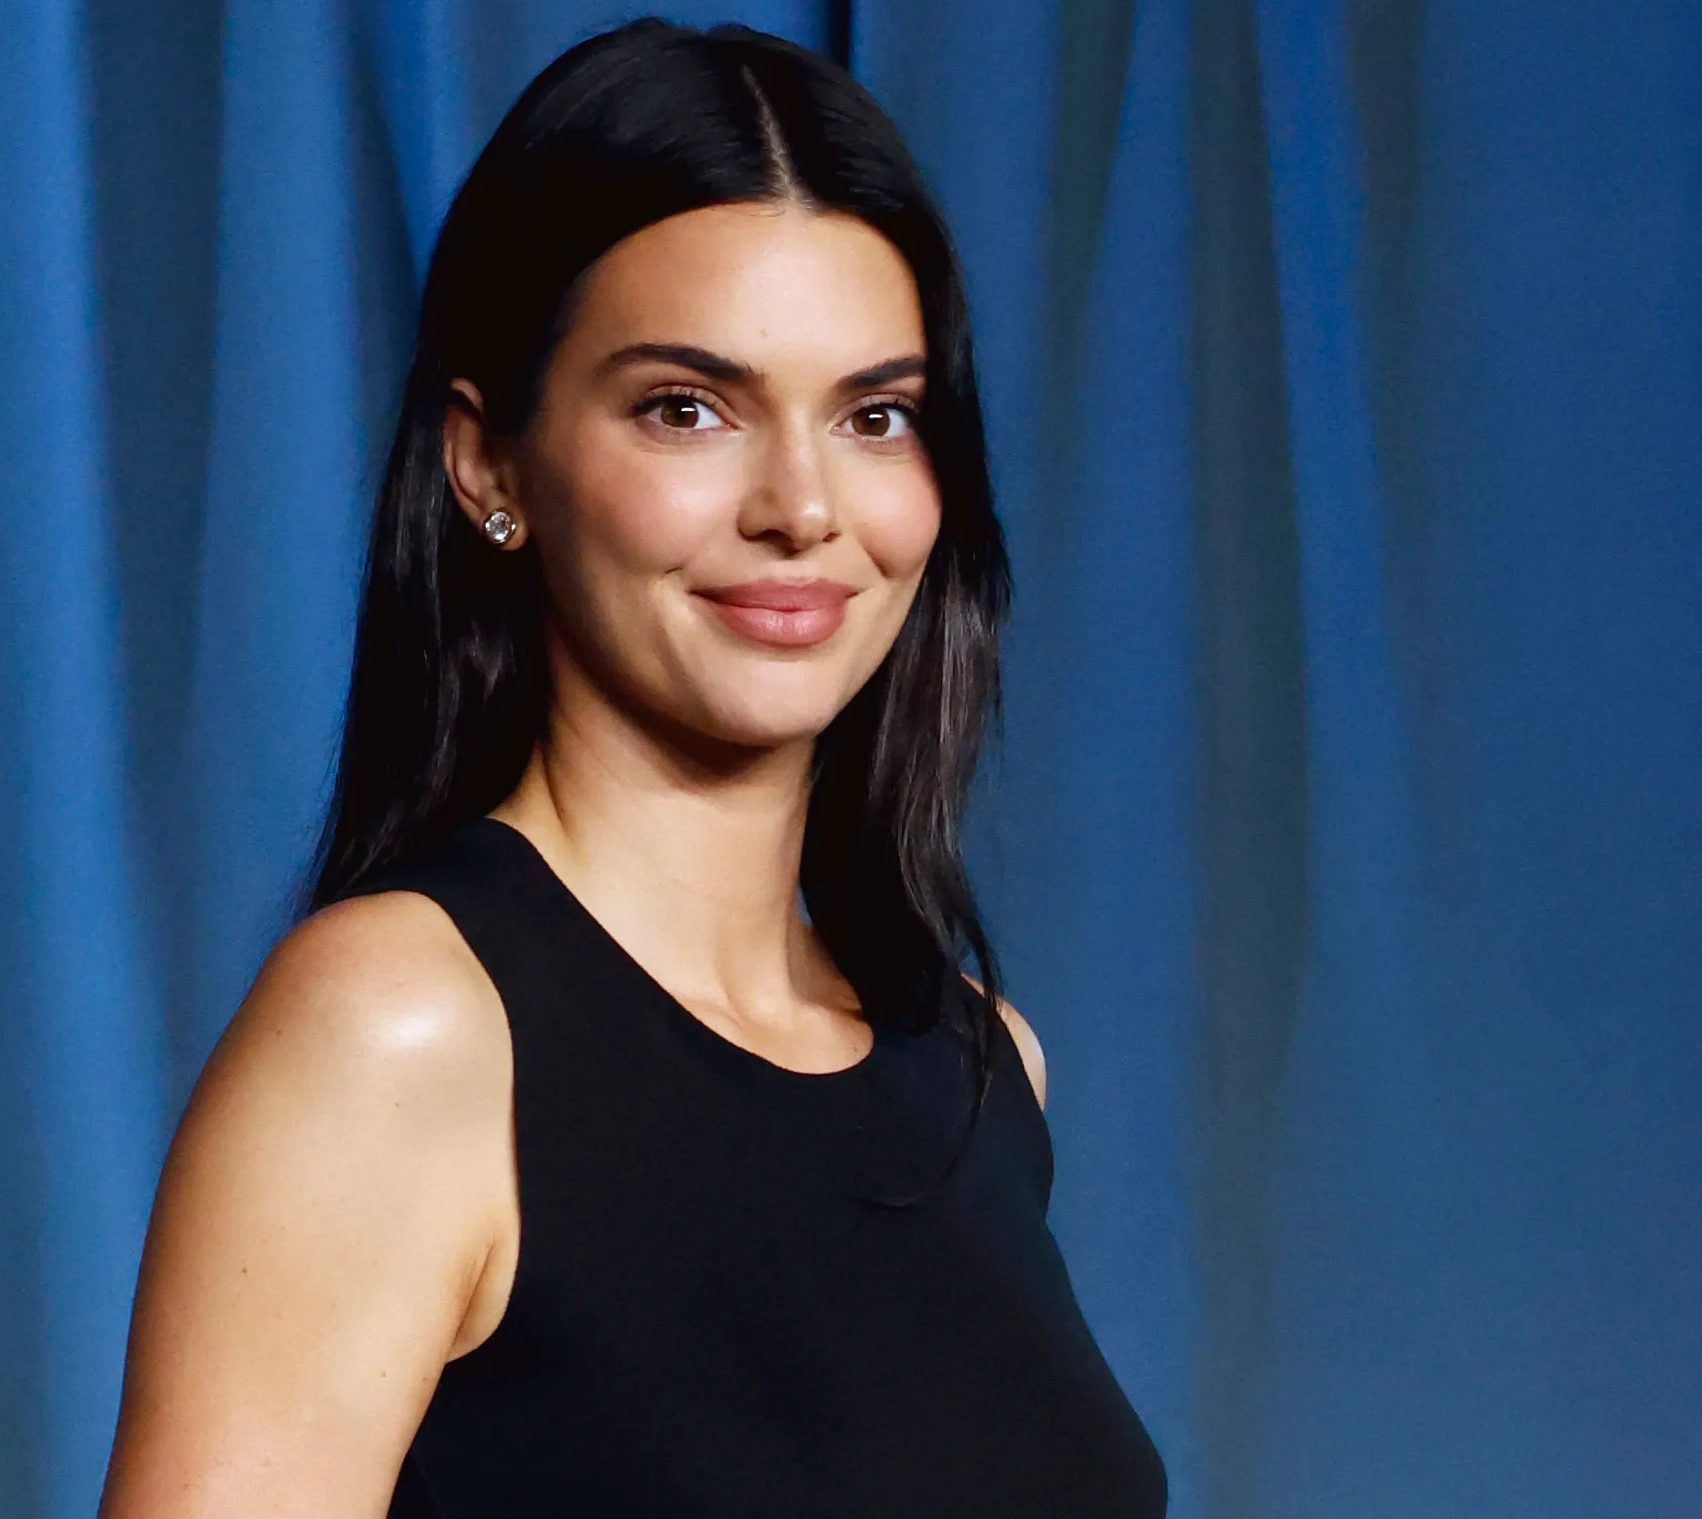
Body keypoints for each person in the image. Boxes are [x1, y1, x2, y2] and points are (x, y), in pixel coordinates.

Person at [100, 19, 1167, 1517]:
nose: (801, 505)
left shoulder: (982, 1070)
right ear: (488, 465)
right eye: (688, 406)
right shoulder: (402, 1031)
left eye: (875, 415)